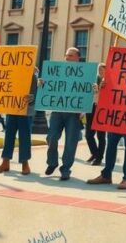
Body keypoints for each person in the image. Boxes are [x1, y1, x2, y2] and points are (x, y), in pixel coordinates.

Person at [44, 47, 88, 181]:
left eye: (70, 55)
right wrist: (43, 84)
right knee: (51, 137)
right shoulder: (57, 71)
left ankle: (65, 169)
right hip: (57, 111)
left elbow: (87, 92)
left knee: (71, 142)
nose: (67, 58)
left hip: (74, 114)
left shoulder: (85, 73)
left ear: (77, 58)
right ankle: (52, 162)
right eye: (66, 55)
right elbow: (49, 87)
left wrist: (84, 110)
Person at [0, 69, 37, 176]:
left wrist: (30, 97)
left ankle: (25, 163)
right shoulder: (10, 71)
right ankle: (5, 162)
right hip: (11, 108)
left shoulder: (31, 75)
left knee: (24, 137)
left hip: (25, 110)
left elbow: (35, 93)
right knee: (8, 135)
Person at [85, 65, 107, 165]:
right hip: (91, 108)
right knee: (88, 135)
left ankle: (99, 158)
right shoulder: (94, 80)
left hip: (102, 109)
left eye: (102, 70)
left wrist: (101, 89)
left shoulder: (108, 82)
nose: (100, 71)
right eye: (99, 70)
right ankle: (95, 153)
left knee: (101, 136)